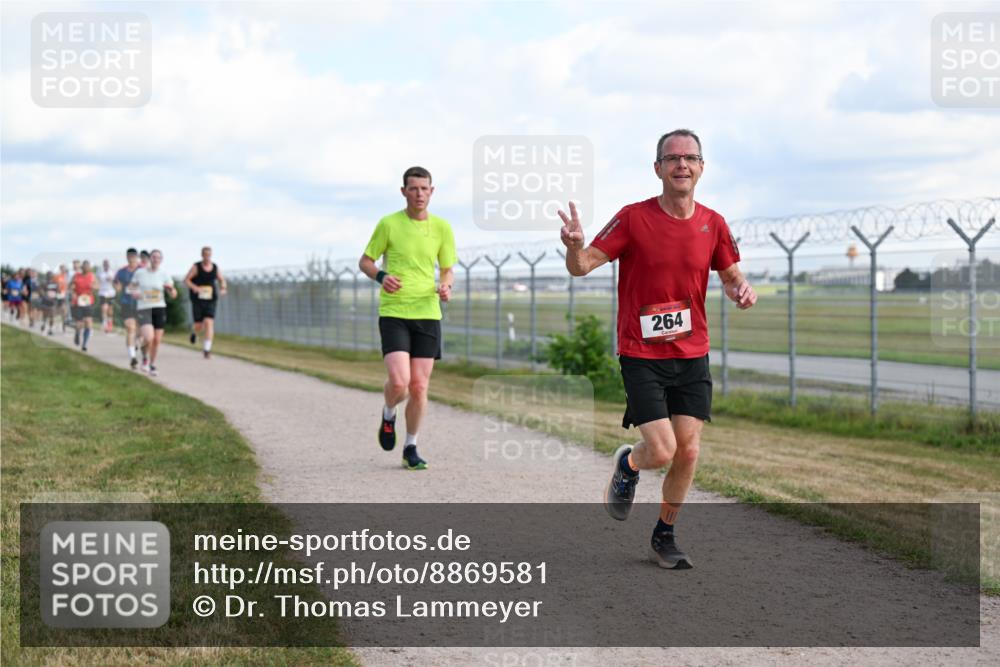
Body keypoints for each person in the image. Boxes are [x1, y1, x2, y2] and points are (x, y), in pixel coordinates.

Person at [559, 129, 756, 569]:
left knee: (688, 451)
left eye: (690, 158)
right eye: (672, 158)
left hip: (692, 354)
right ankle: (629, 465)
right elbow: (583, 266)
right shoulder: (633, 218)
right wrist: (574, 247)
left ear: (702, 167)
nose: (681, 165)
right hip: (642, 354)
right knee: (662, 451)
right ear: (658, 169)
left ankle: (664, 534)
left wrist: (742, 290)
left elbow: (730, 277)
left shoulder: (714, 223)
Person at [358, 166, 456, 471]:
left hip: (427, 313)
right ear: (404, 192)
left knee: (419, 387)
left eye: (424, 189)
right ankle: (389, 413)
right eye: (413, 189)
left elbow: (447, 268)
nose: (419, 194)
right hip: (395, 312)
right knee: (400, 384)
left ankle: (410, 446)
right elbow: (365, 261)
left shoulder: (442, 227)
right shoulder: (389, 224)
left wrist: (446, 286)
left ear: (432, 191)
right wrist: (381, 276)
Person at [133, 249, 177, 376]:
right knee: (149, 337)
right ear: (149, 259)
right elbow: (131, 288)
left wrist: (171, 290)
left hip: (159, 307)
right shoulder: (140, 273)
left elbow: (173, 293)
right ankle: (145, 358)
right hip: (144, 308)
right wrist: (135, 293)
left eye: (158, 257)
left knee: (157, 340)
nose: (155, 259)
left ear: (161, 260)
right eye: (153, 257)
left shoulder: (164, 274)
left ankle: (152, 364)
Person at [183, 246, 227, 359]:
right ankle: (194, 332)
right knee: (199, 325)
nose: (207, 257)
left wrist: (223, 288)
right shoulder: (196, 267)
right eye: (205, 254)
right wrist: (194, 287)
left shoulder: (215, 267)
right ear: (202, 255)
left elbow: (222, 280)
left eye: (209, 254)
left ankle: (207, 349)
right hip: (198, 300)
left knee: (209, 322)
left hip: (211, 299)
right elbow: (186, 280)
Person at [114, 248, 143, 369]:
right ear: (127, 257)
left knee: (140, 332)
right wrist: (117, 287)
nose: (131, 258)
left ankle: (135, 343)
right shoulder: (121, 272)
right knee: (130, 328)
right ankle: (133, 357)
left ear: (137, 257)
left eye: (133, 256)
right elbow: (117, 284)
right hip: (127, 303)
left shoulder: (143, 270)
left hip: (141, 304)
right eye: (129, 256)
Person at [70, 260, 98, 351]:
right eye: (85, 267)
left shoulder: (92, 276)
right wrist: (73, 292)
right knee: (79, 323)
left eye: (88, 267)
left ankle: (84, 344)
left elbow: (98, 286)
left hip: (88, 301)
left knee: (89, 322)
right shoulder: (76, 276)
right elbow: (71, 286)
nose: (87, 268)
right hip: (78, 301)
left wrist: (94, 287)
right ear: (82, 268)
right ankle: (77, 333)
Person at [97, 259, 117, 333]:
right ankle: (104, 323)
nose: (106, 265)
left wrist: (112, 280)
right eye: (105, 264)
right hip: (102, 292)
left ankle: (110, 324)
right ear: (103, 265)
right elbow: (97, 281)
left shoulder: (112, 272)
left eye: (107, 264)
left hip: (111, 292)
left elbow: (116, 281)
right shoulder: (100, 273)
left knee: (110, 310)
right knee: (104, 308)